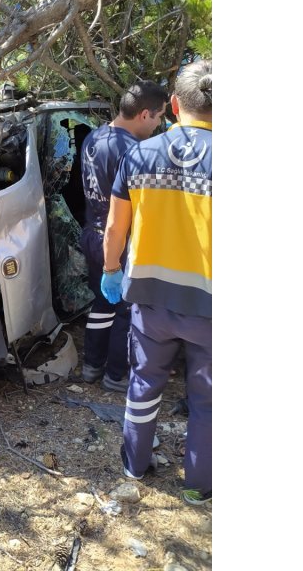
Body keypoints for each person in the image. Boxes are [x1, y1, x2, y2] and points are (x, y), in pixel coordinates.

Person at [101, 59, 212, 503]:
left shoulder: (139, 154)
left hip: (149, 299)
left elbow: (114, 229)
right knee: (209, 400)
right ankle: (199, 487)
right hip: (211, 305)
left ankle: (134, 467)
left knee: (144, 385)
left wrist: (112, 272)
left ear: (171, 105)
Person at [76, 80, 170, 393]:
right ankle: (116, 375)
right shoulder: (132, 150)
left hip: (93, 233)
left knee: (101, 304)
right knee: (127, 310)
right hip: (121, 240)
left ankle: (92, 365)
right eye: (157, 118)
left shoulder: (93, 136)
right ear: (144, 114)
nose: (157, 125)